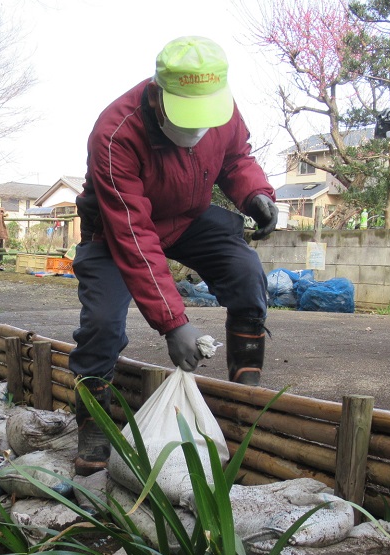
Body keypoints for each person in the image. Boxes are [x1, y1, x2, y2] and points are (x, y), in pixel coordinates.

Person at [70, 35, 278, 475]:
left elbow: (237, 158)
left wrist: (256, 194)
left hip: (187, 217)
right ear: (160, 95)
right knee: (103, 323)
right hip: (115, 231)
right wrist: (174, 322)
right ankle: (91, 415)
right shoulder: (116, 134)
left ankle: (247, 376)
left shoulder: (222, 107)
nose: (196, 132)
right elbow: (134, 235)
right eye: (187, 119)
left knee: (246, 271)